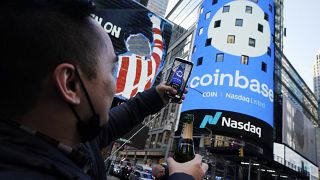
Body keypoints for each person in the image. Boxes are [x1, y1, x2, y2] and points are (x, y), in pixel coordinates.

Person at [0, 1, 208, 180]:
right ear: (71, 84)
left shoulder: (71, 137)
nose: (115, 83)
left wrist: (156, 97)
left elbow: (112, 124)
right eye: (111, 70)